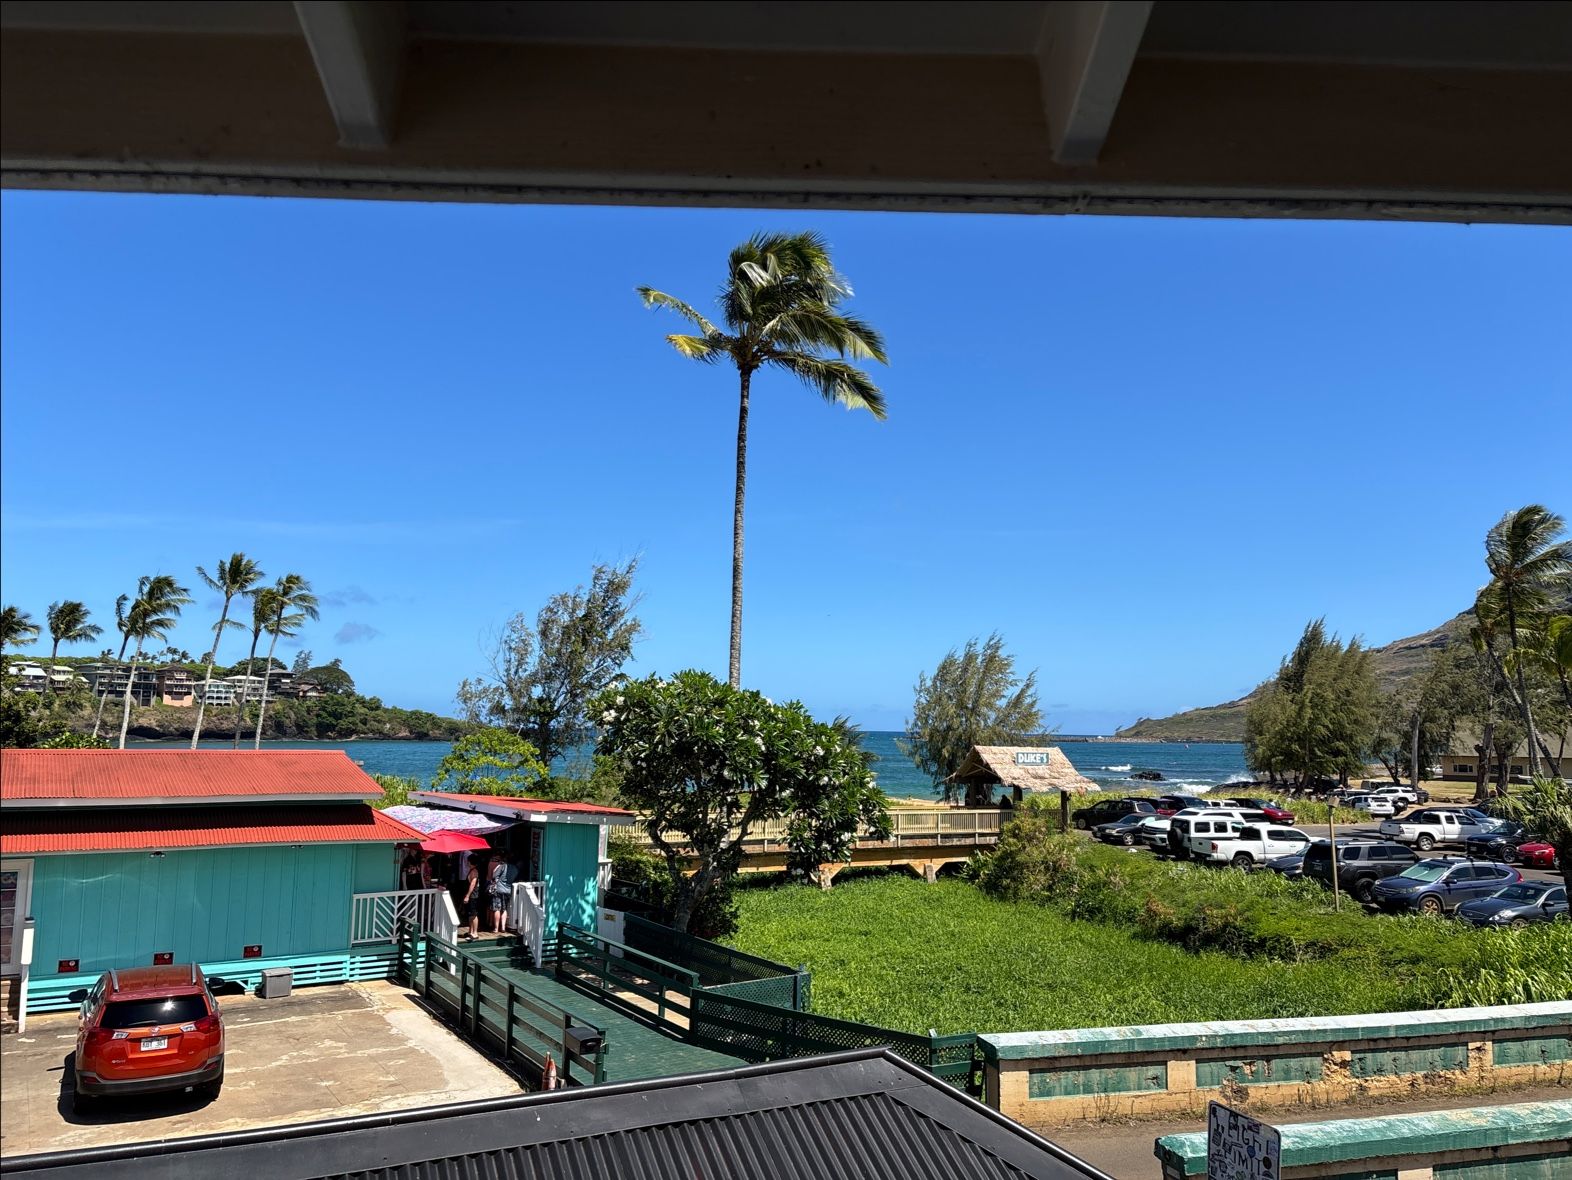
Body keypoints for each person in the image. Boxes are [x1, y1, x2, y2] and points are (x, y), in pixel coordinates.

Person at [489, 853, 516, 935]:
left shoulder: (502, 866)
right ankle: (503, 928)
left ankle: (496, 928)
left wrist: (496, 869)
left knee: (497, 909)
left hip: (499, 889)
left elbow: (494, 876)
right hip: (508, 890)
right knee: (504, 909)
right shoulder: (515, 869)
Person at [461, 856, 485, 940]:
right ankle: (470, 931)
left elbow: (472, 884)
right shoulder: (472, 870)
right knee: (470, 914)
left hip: (473, 896)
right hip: (472, 895)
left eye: (468, 861)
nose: (467, 863)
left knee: (473, 914)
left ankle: (475, 933)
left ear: (470, 862)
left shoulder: (474, 871)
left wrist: (467, 895)